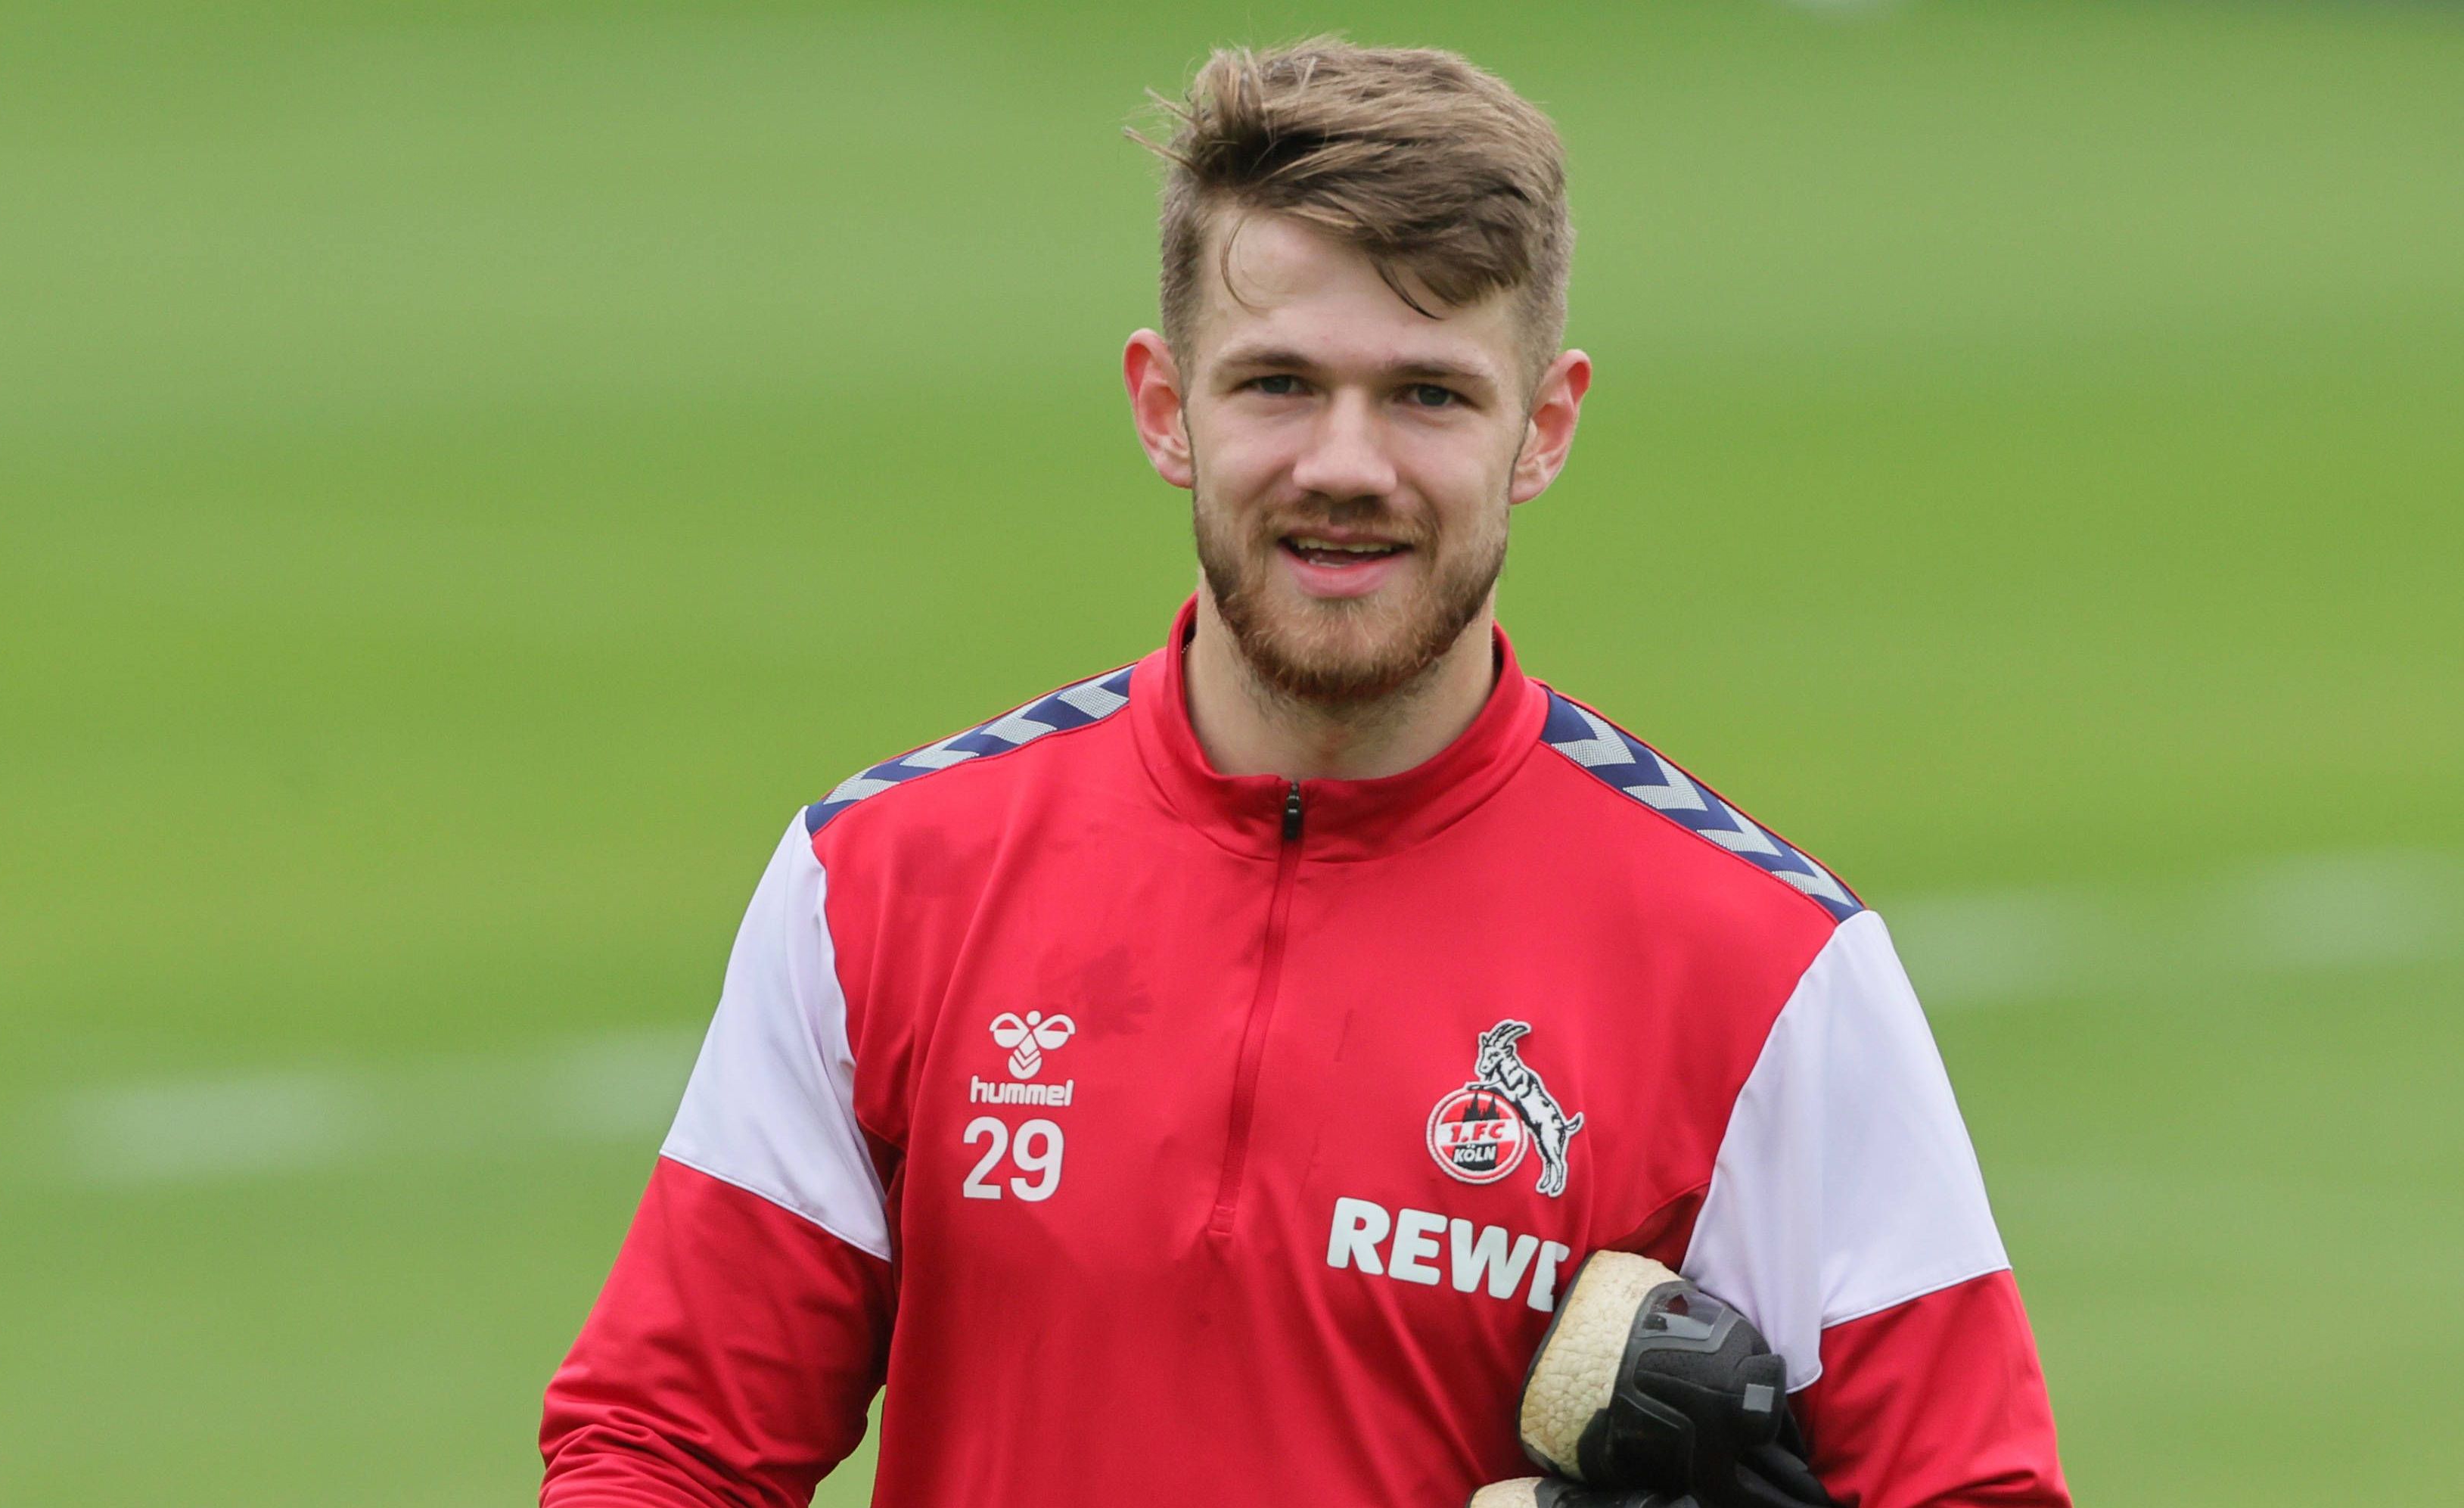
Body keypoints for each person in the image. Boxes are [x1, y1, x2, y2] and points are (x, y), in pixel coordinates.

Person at [541, 39, 2068, 1508]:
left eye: (1426, 394)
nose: (1345, 463)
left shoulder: (1761, 964)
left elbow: (1972, 1487)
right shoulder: (885, 879)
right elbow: (665, 1444)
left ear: (1540, 427)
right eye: (1276, 383)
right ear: (1163, 405)